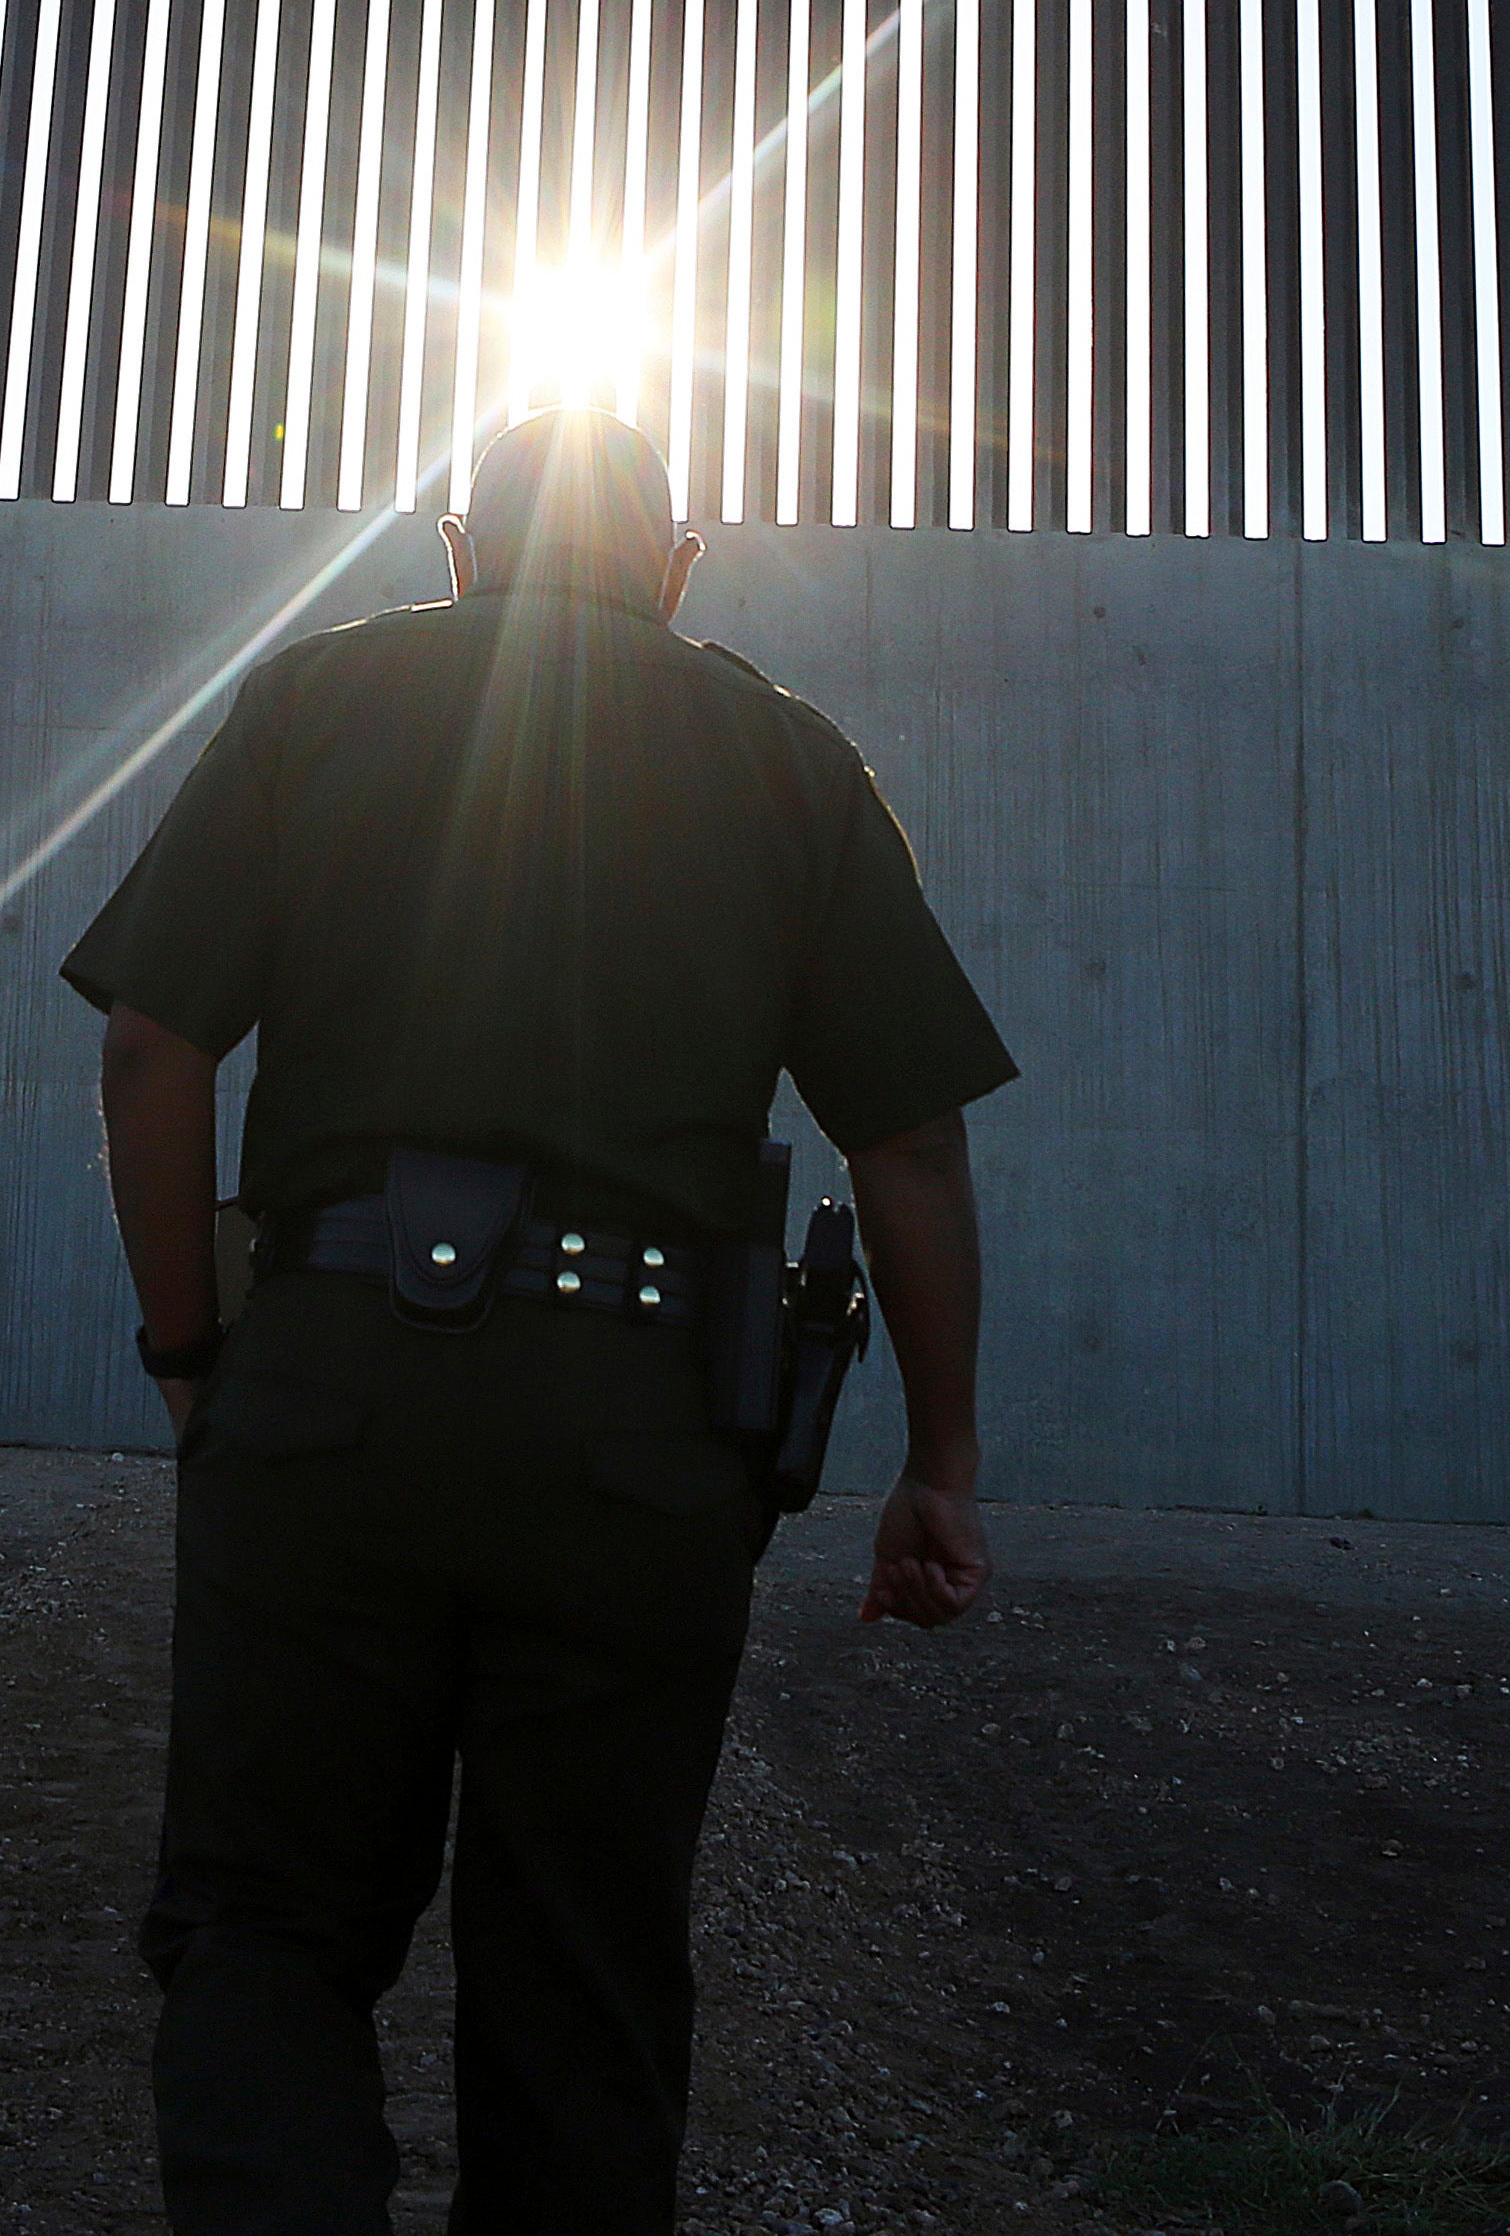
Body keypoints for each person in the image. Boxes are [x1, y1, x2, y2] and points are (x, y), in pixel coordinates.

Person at [63, 407, 1013, 2235]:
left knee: (266, 1925)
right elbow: (903, 1134)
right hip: (637, 1429)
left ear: (453, 547)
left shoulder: (308, 705)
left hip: (323, 1391)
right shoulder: (789, 761)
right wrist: (943, 1461)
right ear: (676, 565)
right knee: (581, 1976)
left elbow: (146, 1041)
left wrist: (192, 1358)